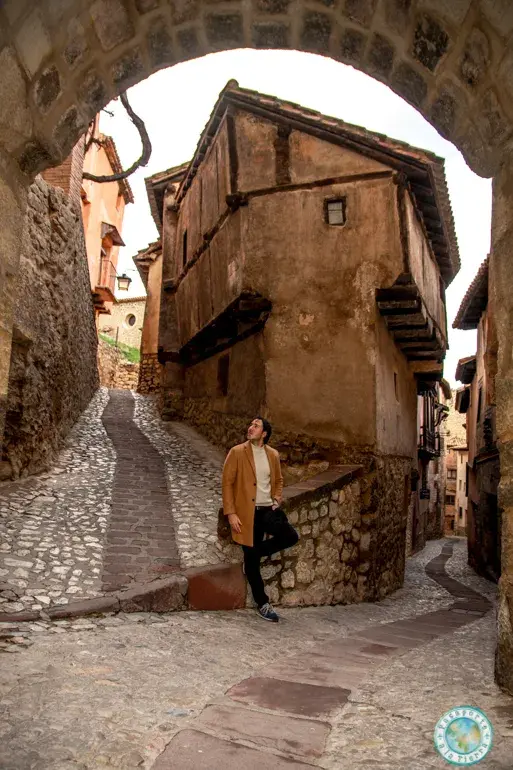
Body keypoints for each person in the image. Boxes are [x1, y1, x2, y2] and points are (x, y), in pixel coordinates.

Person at [222, 416, 299, 622]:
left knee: (291, 536)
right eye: (251, 425)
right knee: (252, 564)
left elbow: (279, 480)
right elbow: (227, 483)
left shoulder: (272, 454)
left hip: (268, 511)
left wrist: (277, 498)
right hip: (246, 514)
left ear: (264, 433)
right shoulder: (237, 452)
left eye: (256, 426)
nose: (251, 428)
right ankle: (263, 603)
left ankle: (254, 556)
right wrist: (231, 513)